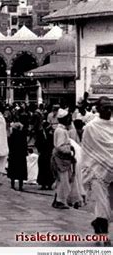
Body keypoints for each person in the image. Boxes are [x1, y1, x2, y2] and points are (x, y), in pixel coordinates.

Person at [81, 96, 112, 243]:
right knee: (102, 204)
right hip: (97, 172)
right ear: (98, 109)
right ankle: (104, 236)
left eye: (110, 107)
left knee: (109, 206)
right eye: (105, 107)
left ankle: (98, 225)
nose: (108, 109)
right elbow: (87, 150)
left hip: (111, 171)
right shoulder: (90, 127)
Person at [51, 108, 81, 209]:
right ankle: (60, 201)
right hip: (61, 159)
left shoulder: (61, 130)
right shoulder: (61, 131)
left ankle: (58, 200)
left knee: (62, 180)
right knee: (63, 180)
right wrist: (69, 149)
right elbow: (60, 146)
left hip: (62, 159)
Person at [7, 121, 28, 191]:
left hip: (13, 155)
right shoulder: (23, 135)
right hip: (21, 155)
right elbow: (25, 145)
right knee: (21, 171)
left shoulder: (11, 136)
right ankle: (20, 186)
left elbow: (9, 145)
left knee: (13, 170)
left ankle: (12, 185)